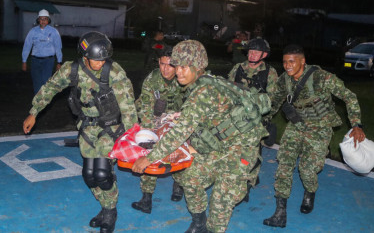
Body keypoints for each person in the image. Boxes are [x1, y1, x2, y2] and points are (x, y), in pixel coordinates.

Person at [132, 40, 271, 232]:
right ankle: (199, 223)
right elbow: (210, 115)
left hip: (240, 152)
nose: (178, 72)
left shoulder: (203, 92)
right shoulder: (206, 82)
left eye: (184, 67)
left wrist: (148, 159)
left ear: (197, 67)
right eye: (176, 66)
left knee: (219, 206)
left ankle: (212, 227)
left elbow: (180, 132)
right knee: (188, 176)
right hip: (220, 145)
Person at [23, 31, 137, 233]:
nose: (101, 63)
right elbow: (50, 88)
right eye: (96, 60)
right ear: (85, 56)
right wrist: (33, 112)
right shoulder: (71, 70)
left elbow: (128, 107)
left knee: (102, 174)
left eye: (104, 59)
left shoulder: (114, 72)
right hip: (87, 127)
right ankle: (105, 206)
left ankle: (110, 211)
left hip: (110, 127)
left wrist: (129, 139)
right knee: (89, 176)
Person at [263, 44, 366, 228]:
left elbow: (348, 97)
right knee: (284, 164)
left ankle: (310, 192)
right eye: (285, 62)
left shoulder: (321, 77)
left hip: (320, 127)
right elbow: (275, 101)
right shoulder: (284, 80)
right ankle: (280, 213)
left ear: (303, 61)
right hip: (296, 125)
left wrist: (356, 124)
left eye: (292, 61)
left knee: (307, 169)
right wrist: (265, 120)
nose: (287, 65)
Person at [132, 46, 185, 214]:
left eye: (170, 65)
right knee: (149, 154)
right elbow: (146, 106)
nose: (165, 69)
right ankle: (146, 198)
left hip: (180, 120)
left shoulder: (184, 77)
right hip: (156, 120)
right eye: (162, 64)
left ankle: (178, 185)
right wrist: (149, 131)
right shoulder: (152, 79)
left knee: (179, 152)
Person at [227, 38, 278, 202]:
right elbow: (227, 89)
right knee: (234, 152)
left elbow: (272, 100)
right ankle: (237, 178)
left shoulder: (270, 73)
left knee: (253, 155)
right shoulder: (238, 68)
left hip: (257, 120)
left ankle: (248, 184)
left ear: (264, 54)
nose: (252, 54)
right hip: (237, 118)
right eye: (250, 51)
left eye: (256, 51)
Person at [22, 9, 63, 94]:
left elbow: (58, 47)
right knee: (37, 83)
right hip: (35, 61)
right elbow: (27, 46)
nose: (43, 21)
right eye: (41, 19)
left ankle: (44, 103)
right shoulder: (33, 31)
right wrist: (24, 61)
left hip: (48, 61)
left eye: (45, 19)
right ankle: (38, 104)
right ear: (38, 20)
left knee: (45, 83)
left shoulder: (54, 32)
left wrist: (59, 62)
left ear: (48, 20)